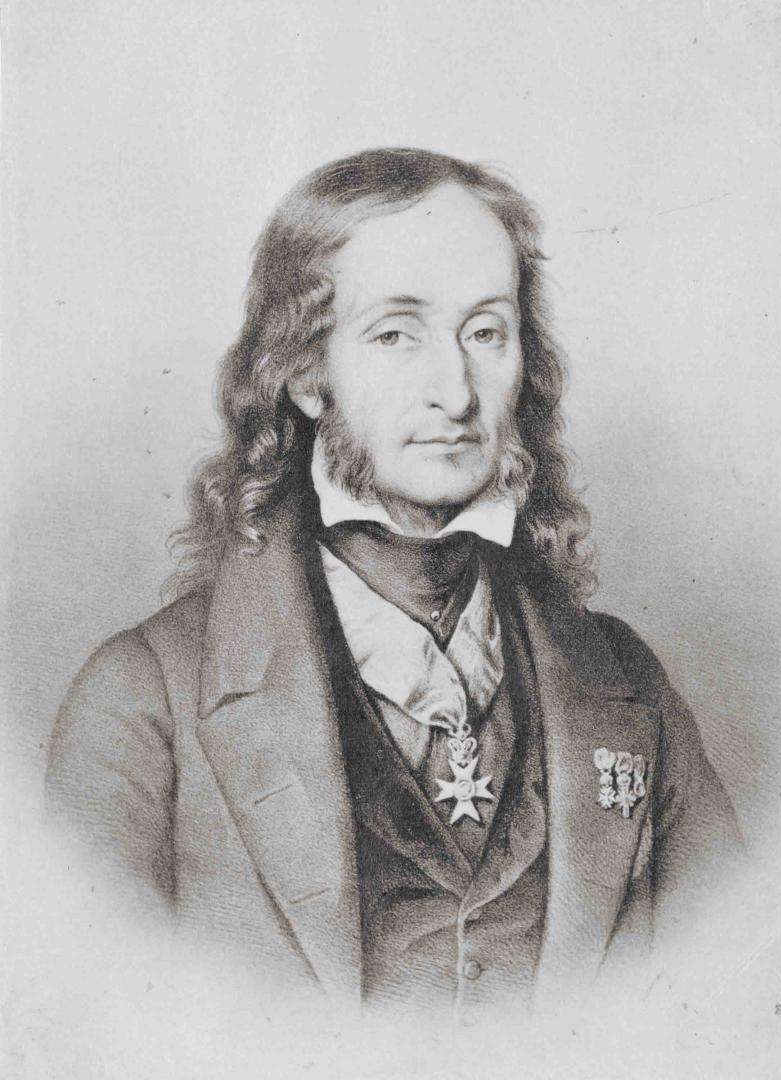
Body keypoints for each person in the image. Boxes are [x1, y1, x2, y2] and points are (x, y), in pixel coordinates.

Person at [47, 147, 742, 1019]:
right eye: (395, 335)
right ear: (306, 374)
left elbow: (735, 1004)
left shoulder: (627, 685)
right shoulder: (143, 699)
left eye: (485, 333)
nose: (455, 392)